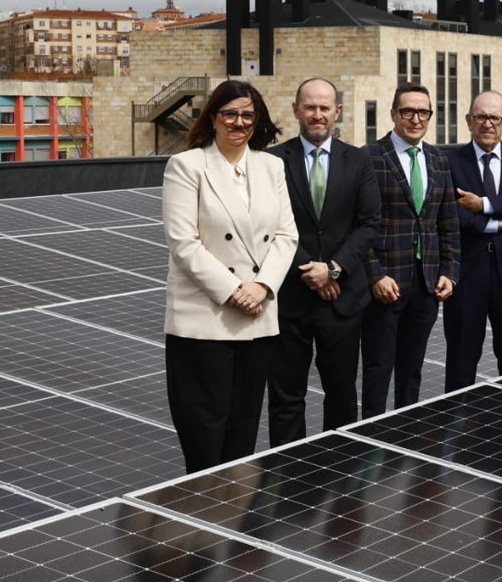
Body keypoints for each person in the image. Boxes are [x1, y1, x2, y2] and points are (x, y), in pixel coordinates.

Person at [162, 79, 298, 473]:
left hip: (258, 319)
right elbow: (183, 242)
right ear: (213, 118)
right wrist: (236, 290)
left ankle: (232, 524)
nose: (239, 123)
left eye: (248, 115)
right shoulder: (187, 166)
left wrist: (263, 287)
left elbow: (288, 235)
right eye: (231, 114)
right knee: (205, 435)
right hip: (204, 322)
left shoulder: (271, 166)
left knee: (243, 433)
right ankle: (203, 523)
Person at [265, 77, 380, 445]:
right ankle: (287, 474)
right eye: (310, 107)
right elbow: (268, 225)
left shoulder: (359, 161)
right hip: (290, 301)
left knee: (343, 395)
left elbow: (368, 224)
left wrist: (332, 269)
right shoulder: (271, 162)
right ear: (296, 110)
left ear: (337, 112)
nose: (317, 115)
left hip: (343, 301)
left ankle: (338, 471)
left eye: (324, 108)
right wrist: (310, 271)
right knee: (286, 398)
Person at [361, 83, 459, 418]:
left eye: (423, 112)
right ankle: (370, 437)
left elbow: (447, 222)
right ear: (393, 114)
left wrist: (449, 271)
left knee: (412, 366)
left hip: (426, 283)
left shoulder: (438, 159)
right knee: (378, 367)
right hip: (386, 283)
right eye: (408, 111)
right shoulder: (369, 158)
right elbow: (359, 225)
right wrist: (375, 275)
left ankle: (405, 432)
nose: (416, 119)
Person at [442, 90, 502, 391]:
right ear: (468, 121)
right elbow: (448, 213)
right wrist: (496, 225)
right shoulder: (448, 162)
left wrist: (484, 205)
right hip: (466, 276)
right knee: (461, 361)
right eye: (481, 117)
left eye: (495, 118)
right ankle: (456, 430)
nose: (488, 124)